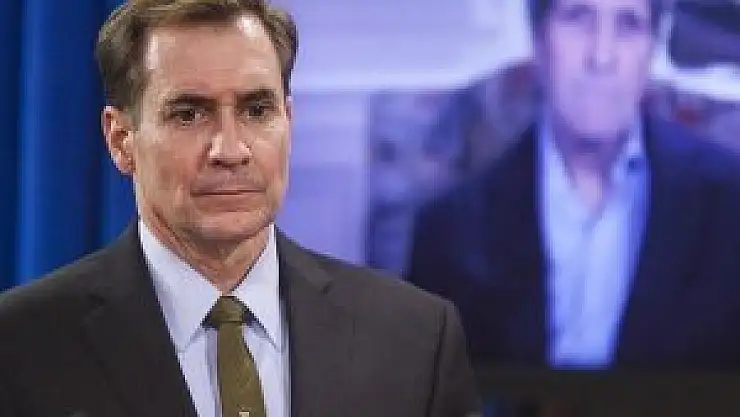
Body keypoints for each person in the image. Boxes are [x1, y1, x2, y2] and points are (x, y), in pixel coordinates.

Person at [0, 1, 480, 416]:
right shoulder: (21, 347)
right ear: (121, 140)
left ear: (289, 120)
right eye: (189, 114)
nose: (230, 150)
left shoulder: (415, 340)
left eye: (256, 110)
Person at [407, 0, 740, 369]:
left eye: (628, 25)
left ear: (651, 48)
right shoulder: (451, 232)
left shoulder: (728, 210)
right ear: (538, 40)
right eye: (578, 19)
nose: (601, 56)